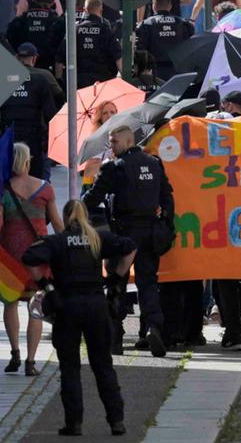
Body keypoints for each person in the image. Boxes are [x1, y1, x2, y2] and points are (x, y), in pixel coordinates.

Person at [21, 199, 136, 436]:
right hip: (95, 304)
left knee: (70, 367)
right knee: (103, 364)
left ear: (64, 218)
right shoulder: (97, 238)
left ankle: (74, 423)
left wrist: (45, 284)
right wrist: (115, 280)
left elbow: (29, 257)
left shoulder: (57, 241)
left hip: (67, 306)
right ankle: (117, 421)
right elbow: (130, 248)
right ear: (86, 216)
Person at [81, 124, 173, 358]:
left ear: (128, 141)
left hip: (123, 233)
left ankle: (115, 338)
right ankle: (153, 327)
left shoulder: (114, 167)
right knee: (148, 284)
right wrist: (165, 225)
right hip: (149, 232)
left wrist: (82, 201)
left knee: (116, 284)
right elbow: (167, 198)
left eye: (114, 142)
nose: (111, 146)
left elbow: (93, 198)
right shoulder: (154, 164)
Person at [1, 143, 61, 376]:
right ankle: (30, 361)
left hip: (11, 259)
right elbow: (56, 223)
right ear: (27, 161)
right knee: (36, 305)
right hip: (39, 256)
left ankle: (14, 352)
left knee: (10, 304)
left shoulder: (4, 191)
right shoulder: (45, 189)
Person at [1, 43, 60, 179]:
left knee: (7, 177)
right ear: (34, 59)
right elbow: (50, 113)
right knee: (36, 178)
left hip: (8, 134)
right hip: (33, 136)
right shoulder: (41, 78)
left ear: (16, 57)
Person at [56, 0, 121, 88]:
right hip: (102, 82)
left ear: (85, 10)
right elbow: (117, 56)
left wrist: (59, 80)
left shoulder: (74, 29)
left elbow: (60, 56)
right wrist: (125, 80)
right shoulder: (105, 30)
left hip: (78, 81)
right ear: (101, 10)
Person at [134, 0, 195, 80]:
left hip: (155, 73)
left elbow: (140, 51)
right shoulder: (184, 24)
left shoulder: (146, 24)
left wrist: (142, 75)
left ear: (154, 6)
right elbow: (192, 48)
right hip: (180, 72)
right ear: (170, 6)